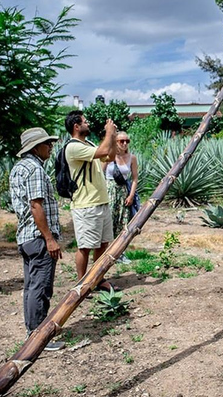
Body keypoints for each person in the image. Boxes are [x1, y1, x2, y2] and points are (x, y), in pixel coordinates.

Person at [9, 127, 65, 351]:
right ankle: (38, 337)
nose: (50, 147)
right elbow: (36, 205)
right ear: (35, 147)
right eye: (47, 144)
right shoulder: (34, 170)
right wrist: (49, 239)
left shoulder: (20, 168)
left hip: (26, 236)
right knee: (40, 287)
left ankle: (32, 331)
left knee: (32, 286)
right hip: (37, 236)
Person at [64, 111, 117, 279]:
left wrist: (113, 137)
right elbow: (102, 152)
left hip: (100, 202)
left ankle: (96, 278)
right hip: (86, 205)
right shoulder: (73, 147)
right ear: (76, 126)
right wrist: (108, 132)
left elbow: (110, 156)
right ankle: (81, 283)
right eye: (84, 121)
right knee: (85, 247)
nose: (88, 124)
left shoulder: (88, 144)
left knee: (102, 244)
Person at [103, 131, 139, 262]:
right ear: (115, 142)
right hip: (110, 191)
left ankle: (120, 253)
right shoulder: (109, 156)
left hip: (123, 191)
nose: (124, 143)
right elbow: (100, 173)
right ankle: (106, 252)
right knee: (109, 222)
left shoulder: (132, 158)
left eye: (127, 141)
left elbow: (135, 178)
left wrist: (131, 195)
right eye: (121, 141)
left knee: (122, 223)